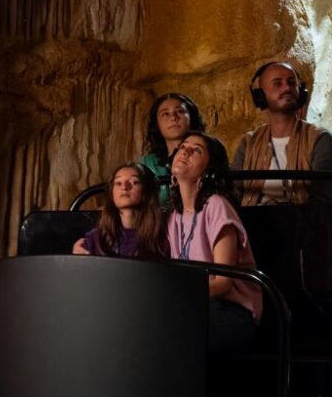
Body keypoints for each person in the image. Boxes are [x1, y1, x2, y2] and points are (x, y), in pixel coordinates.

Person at [168, 131, 262, 353]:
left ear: (209, 170)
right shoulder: (174, 216)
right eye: (183, 146)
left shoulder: (217, 206)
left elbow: (223, 282)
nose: (185, 151)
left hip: (231, 311)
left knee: (170, 330)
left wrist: (177, 297)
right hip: (195, 306)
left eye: (196, 150)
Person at [231, 61, 332, 205]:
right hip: (252, 224)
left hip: (303, 223)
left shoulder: (320, 139)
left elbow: (321, 200)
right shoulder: (249, 143)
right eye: (277, 83)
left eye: (291, 83)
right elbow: (232, 194)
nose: (287, 88)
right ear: (260, 96)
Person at [72, 163, 167, 259]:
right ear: (112, 193)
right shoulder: (96, 239)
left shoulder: (162, 238)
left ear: (146, 192)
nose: (124, 187)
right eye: (118, 183)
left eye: (134, 182)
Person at [138, 93, 206, 205]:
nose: (174, 118)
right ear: (156, 124)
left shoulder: (210, 155)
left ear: (191, 117)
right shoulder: (147, 164)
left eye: (180, 111)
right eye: (165, 114)